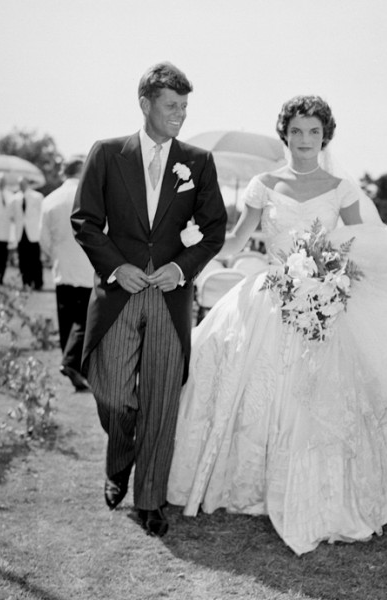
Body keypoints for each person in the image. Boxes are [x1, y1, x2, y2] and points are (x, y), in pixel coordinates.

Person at [167, 95, 387, 555]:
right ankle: (249, 483)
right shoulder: (264, 184)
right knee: (242, 379)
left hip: (323, 300)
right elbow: (238, 238)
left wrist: (330, 275)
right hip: (269, 296)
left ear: (326, 136)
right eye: (298, 131)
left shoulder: (341, 188)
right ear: (285, 133)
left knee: (320, 395)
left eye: (314, 132)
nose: (305, 140)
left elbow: (361, 244)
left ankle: (320, 489)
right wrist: (189, 244)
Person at [71, 62, 227, 538]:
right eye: (170, 105)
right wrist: (118, 266)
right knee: (114, 393)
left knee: (161, 399)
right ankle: (119, 459)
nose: (179, 114)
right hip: (119, 292)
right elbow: (85, 221)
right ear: (145, 104)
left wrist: (180, 268)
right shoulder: (106, 153)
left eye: (184, 106)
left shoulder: (198, 161)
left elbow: (215, 229)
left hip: (171, 296)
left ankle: (151, 499)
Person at [39, 156, 94, 392]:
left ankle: (70, 364)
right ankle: (73, 364)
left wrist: (57, 255)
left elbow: (43, 239)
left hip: (62, 269)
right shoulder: (91, 196)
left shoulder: (50, 199)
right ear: (82, 171)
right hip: (88, 266)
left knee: (67, 320)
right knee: (84, 319)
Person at [14, 176, 44, 290]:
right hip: (21, 233)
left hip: (33, 233)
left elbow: (42, 214)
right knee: (23, 260)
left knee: (35, 260)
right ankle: (25, 282)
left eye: (23, 183)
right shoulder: (15, 198)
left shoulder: (37, 196)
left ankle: (38, 283)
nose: (21, 185)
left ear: (27, 183)